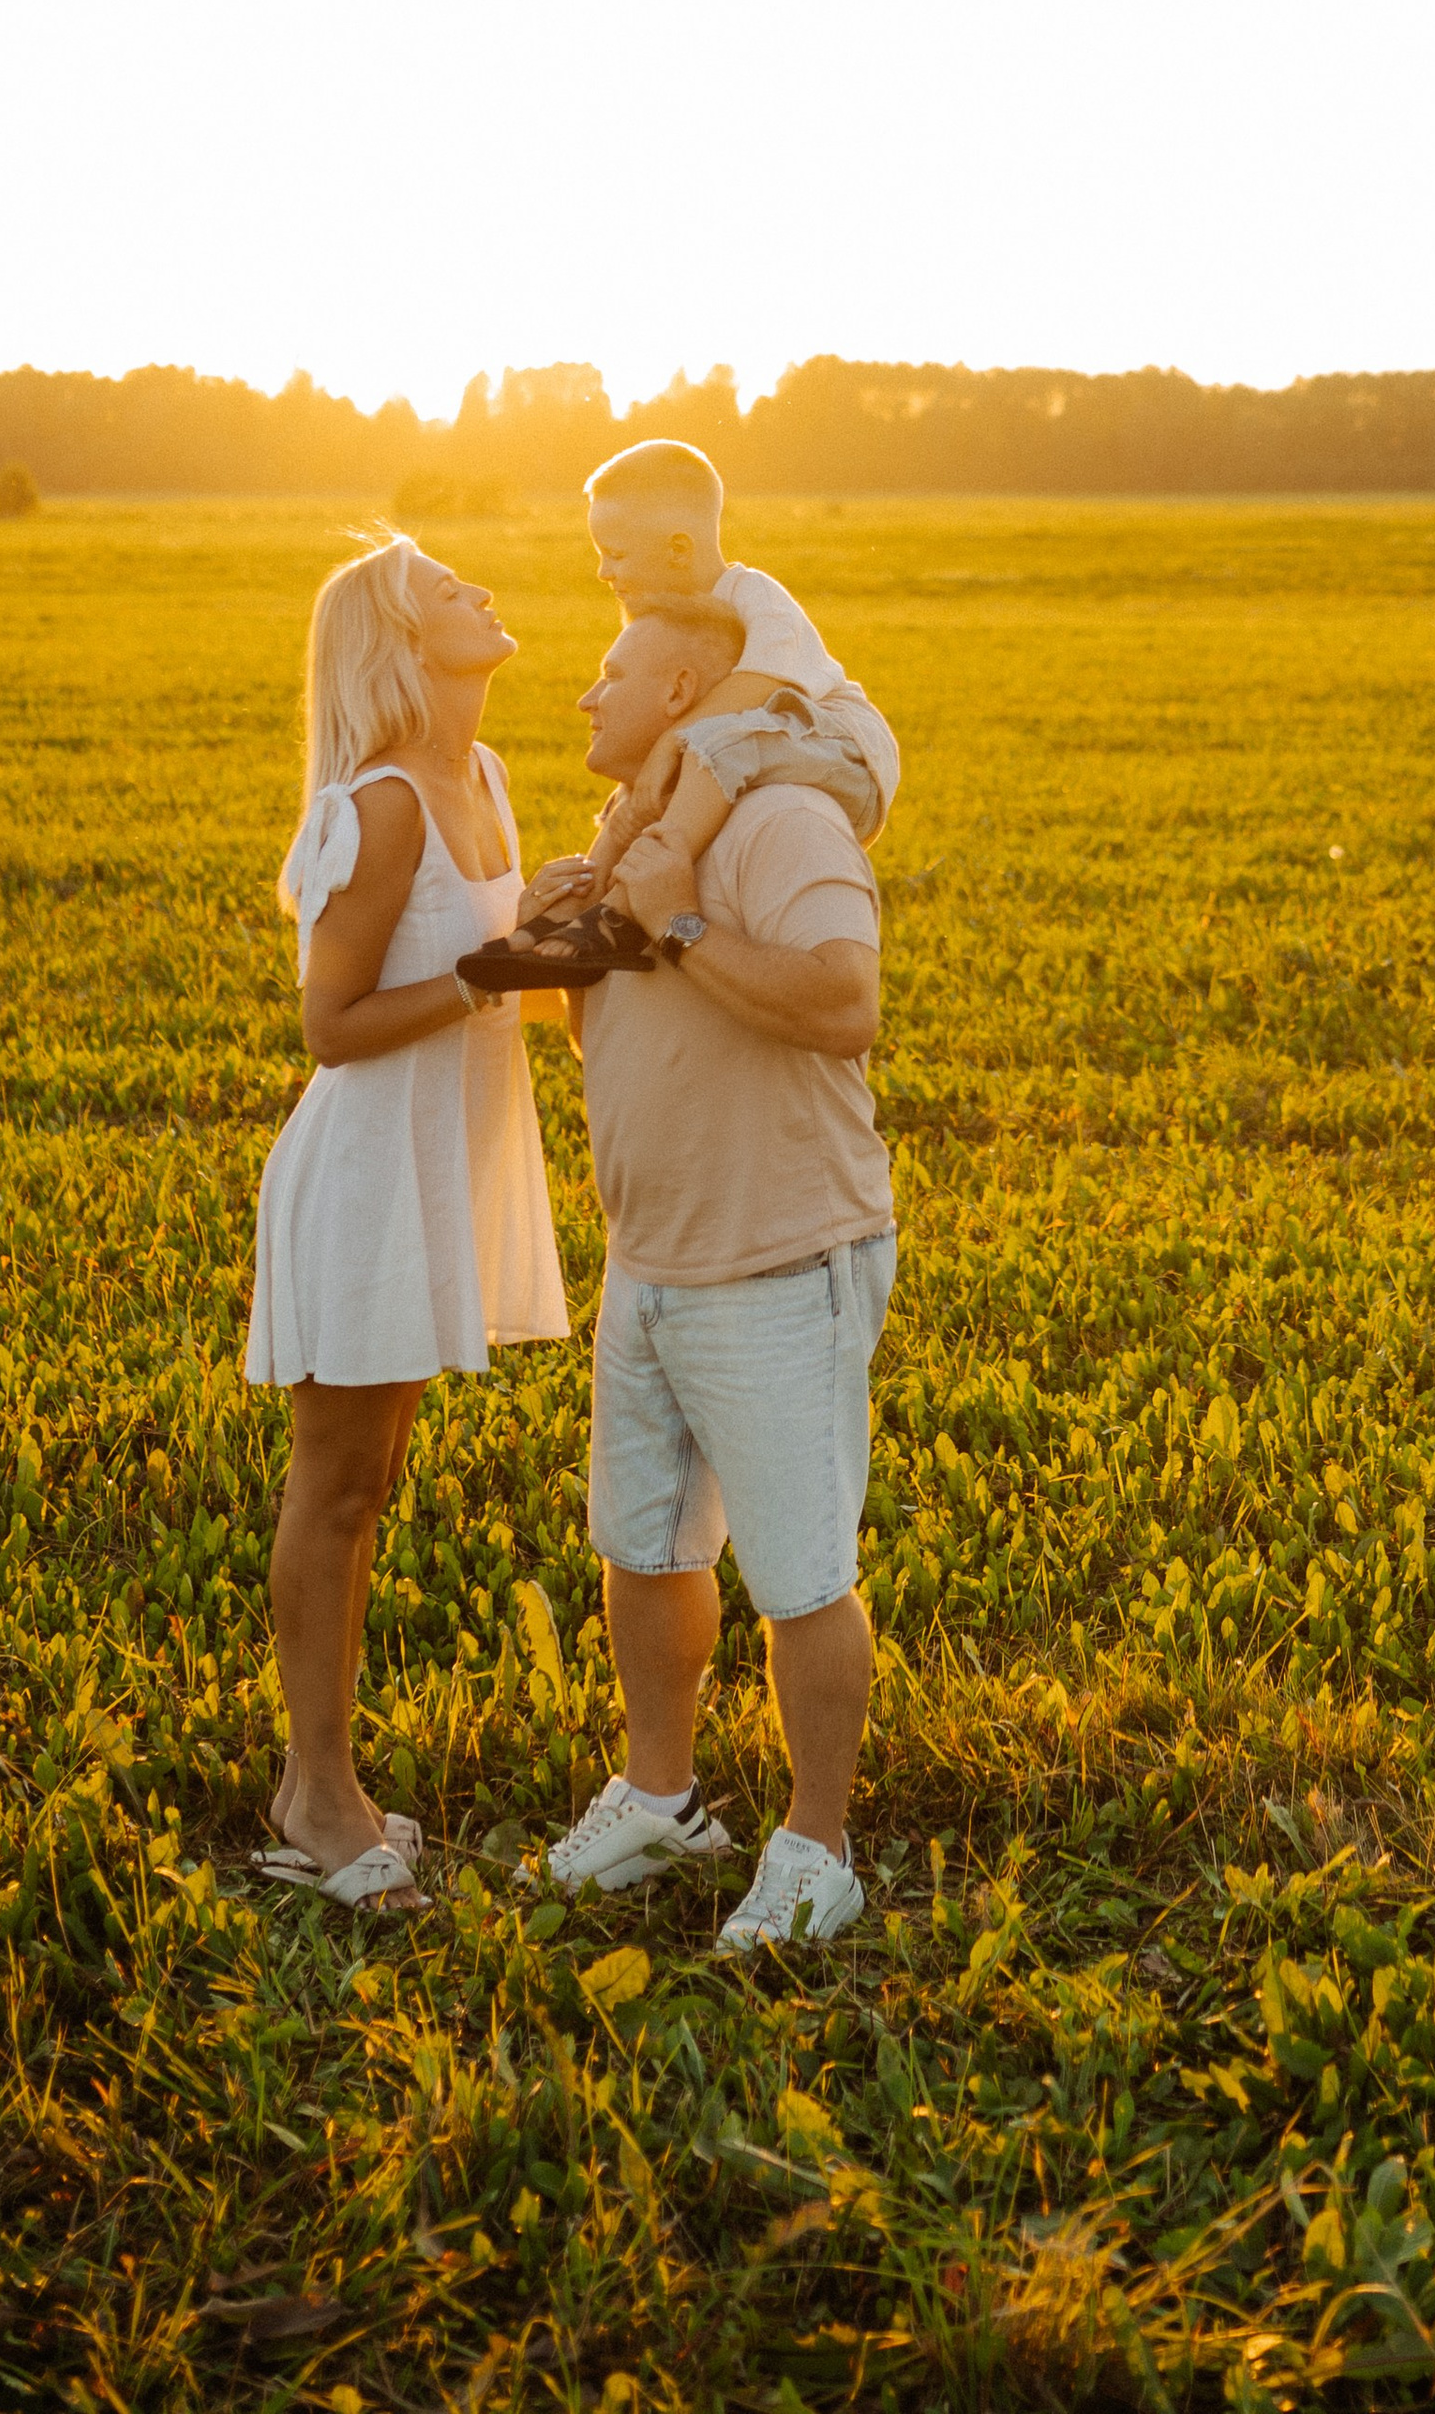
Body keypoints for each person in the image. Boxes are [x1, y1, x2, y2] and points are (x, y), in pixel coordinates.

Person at [537, 592, 895, 1951]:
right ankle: (662, 1793)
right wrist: (585, 926)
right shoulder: (631, 835)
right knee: (644, 1543)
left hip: (777, 1249)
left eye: (611, 667)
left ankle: (819, 1847)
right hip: (652, 1257)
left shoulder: (782, 823)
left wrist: (679, 920)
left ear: (685, 685)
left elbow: (840, 1000)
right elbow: (616, 1047)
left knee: (799, 1572)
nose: (587, 694)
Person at [244, 535, 586, 1910]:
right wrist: (492, 970)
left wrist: (577, 928)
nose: (486, 595)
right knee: (332, 1491)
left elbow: (512, 984)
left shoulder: (487, 777)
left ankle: (324, 1780)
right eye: (454, 592)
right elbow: (331, 1027)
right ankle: (316, 1798)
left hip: (439, 1165)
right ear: (401, 639)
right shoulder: (386, 803)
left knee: (369, 1487)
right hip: (368, 1173)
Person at [464, 439, 896, 989]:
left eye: (615, 554)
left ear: (677, 549)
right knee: (641, 787)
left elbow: (758, 686)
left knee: (706, 745)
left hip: (839, 746)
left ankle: (616, 914)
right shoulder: (672, 620)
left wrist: (671, 744)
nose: (602, 571)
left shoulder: (754, 597)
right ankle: (573, 907)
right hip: (759, 742)